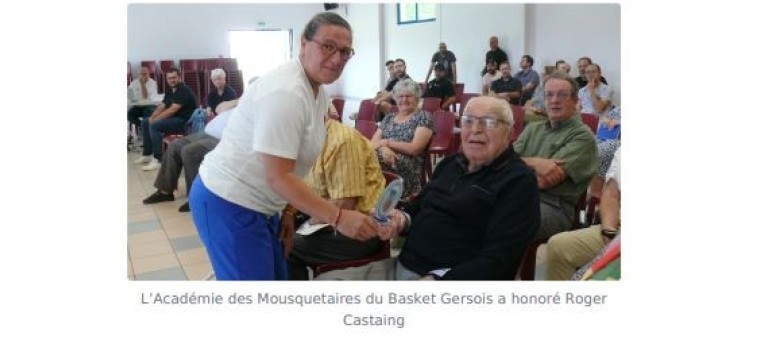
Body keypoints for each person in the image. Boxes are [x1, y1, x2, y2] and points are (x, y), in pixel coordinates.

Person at [189, 12, 377, 280]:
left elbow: (294, 163)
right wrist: (338, 218)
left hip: (265, 206)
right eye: (328, 46)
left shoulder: (318, 92)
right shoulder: (286, 92)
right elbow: (277, 175)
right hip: (229, 200)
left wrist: (288, 211)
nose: (337, 59)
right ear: (303, 43)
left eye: (345, 52)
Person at [378, 96, 540, 280]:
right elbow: (420, 206)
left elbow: (499, 260)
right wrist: (401, 220)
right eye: (468, 121)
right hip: (403, 265)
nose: (475, 129)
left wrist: (438, 281)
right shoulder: (450, 164)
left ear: (509, 133)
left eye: (488, 122)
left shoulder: (518, 181)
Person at [284, 118, 386, 280]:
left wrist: (301, 223)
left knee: (283, 246)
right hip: (323, 221)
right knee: (275, 232)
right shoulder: (306, 139)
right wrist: (289, 213)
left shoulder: (342, 140)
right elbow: (298, 186)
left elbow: (343, 206)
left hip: (359, 231)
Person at [513, 72, 598, 240]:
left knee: (498, 219)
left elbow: (543, 181)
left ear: (575, 101)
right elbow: (501, 164)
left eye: (562, 95)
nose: (554, 100)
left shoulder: (582, 136)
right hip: (515, 195)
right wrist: (534, 162)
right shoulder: (532, 129)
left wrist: (512, 168)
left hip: (552, 206)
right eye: (549, 95)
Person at [141, 102, 236, 212]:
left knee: (189, 151)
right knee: (174, 146)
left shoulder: (256, 107)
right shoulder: (240, 101)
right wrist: (241, 99)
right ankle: (165, 192)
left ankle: (196, 197)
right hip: (207, 133)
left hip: (224, 139)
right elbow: (219, 108)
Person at [546, 147, 620, 280]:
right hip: (616, 227)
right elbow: (611, 194)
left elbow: (549, 176)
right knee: (558, 246)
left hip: (558, 204)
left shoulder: (585, 139)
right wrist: (608, 231)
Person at [370, 79, 434, 198]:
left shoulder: (423, 117)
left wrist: (387, 142)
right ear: (395, 98)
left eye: (409, 96)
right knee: (360, 156)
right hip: (383, 156)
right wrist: (384, 148)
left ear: (417, 98)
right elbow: (372, 144)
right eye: (400, 96)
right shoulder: (389, 117)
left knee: (365, 160)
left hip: (407, 166)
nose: (404, 100)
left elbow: (414, 149)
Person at [133, 67, 199, 171]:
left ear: (179, 77)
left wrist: (155, 120)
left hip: (184, 122)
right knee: (146, 121)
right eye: (169, 78)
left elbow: (172, 110)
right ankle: (147, 154)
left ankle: (158, 159)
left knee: (154, 125)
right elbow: (163, 105)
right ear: (167, 79)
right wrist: (152, 116)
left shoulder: (183, 90)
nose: (172, 80)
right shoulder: (170, 90)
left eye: (174, 77)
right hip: (175, 119)